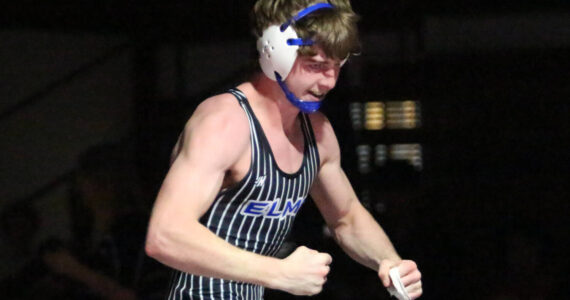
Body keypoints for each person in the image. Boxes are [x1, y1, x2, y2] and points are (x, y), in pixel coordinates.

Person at [145, 0, 423, 299]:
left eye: (336, 67)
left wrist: (390, 262)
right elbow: (165, 235)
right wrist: (278, 273)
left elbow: (346, 216)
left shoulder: (317, 133)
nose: (328, 81)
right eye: (315, 66)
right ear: (274, 55)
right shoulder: (225, 123)